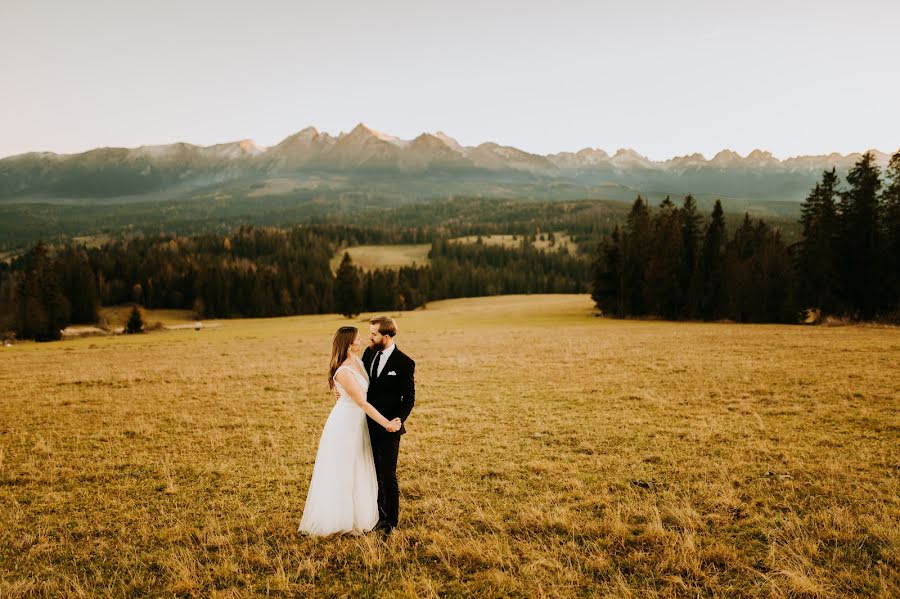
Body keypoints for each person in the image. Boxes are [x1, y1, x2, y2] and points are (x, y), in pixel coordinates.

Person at [298, 326, 401, 536]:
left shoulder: (359, 360)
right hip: (346, 424)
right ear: (348, 342)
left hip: (358, 422)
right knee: (344, 468)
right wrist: (386, 423)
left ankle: (362, 514)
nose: (361, 340)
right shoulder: (344, 371)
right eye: (357, 338)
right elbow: (362, 403)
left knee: (359, 466)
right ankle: (338, 519)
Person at [361, 316, 415, 534]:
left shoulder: (404, 362)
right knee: (370, 472)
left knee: (387, 474)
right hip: (364, 423)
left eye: (373, 333)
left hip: (388, 427)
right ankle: (374, 514)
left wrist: (398, 420)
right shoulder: (368, 353)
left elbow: (409, 399)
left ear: (386, 336)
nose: (370, 337)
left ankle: (390, 521)